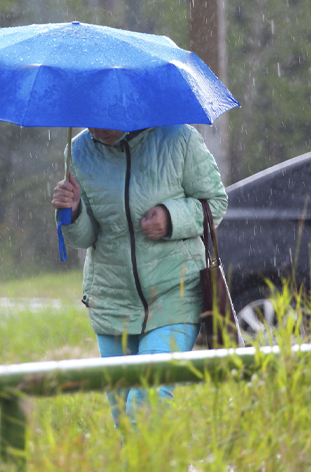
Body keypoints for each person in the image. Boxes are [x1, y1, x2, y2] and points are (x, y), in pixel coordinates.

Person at [51, 124, 228, 428]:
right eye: (88, 117)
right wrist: (74, 211)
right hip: (111, 302)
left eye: (102, 116)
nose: (93, 128)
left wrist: (170, 217)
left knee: (142, 410)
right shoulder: (78, 151)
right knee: (125, 421)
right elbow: (85, 237)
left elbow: (215, 202)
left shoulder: (179, 138)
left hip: (175, 296)